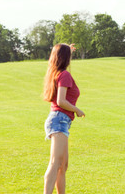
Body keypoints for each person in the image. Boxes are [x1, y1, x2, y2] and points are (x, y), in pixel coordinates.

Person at [43, 43, 85, 194]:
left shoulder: (56, 73)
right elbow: (61, 101)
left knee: (63, 165)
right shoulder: (64, 75)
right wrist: (77, 110)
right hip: (59, 119)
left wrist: (67, 46)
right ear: (66, 58)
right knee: (55, 163)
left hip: (60, 120)